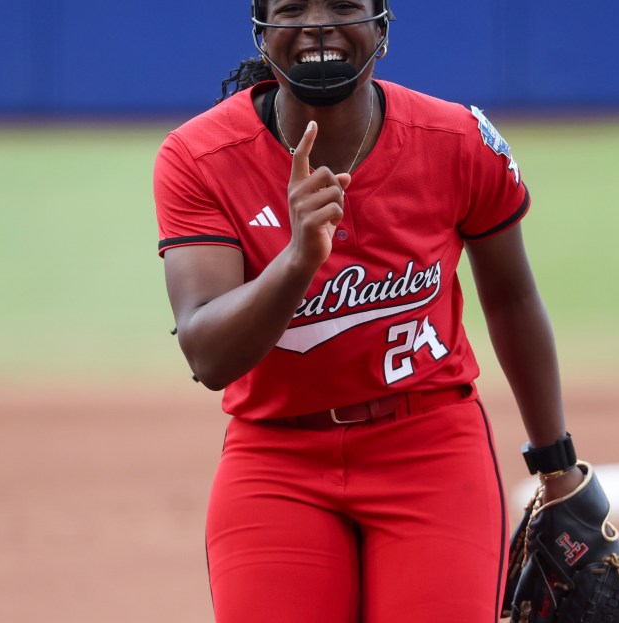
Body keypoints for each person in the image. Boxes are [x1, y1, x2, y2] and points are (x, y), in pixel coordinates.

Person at [153, 1, 586, 621]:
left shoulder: (457, 141)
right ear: (261, 28)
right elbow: (208, 353)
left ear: (381, 24)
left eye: (344, 5)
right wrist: (297, 261)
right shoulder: (200, 157)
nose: (318, 23)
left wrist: (557, 466)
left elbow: (512, 300)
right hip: (277, 460)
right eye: (293, 7)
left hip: (431, 449)